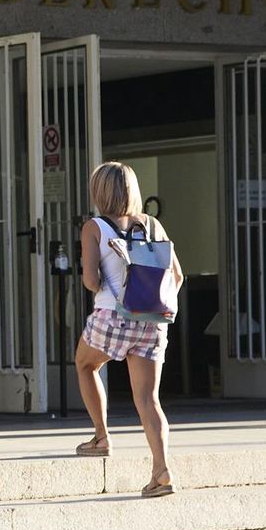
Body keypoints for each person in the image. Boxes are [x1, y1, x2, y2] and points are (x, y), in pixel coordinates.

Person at [75, 161, 184, 497]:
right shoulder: (153, 224)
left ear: (99, 191)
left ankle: (101, 437)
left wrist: (95, 278)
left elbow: (92, 281)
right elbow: (178, 276)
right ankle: (161, 470)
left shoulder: (95, 227)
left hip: (113, 316)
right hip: (153, 321)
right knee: (148, 398)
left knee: (85, 363)